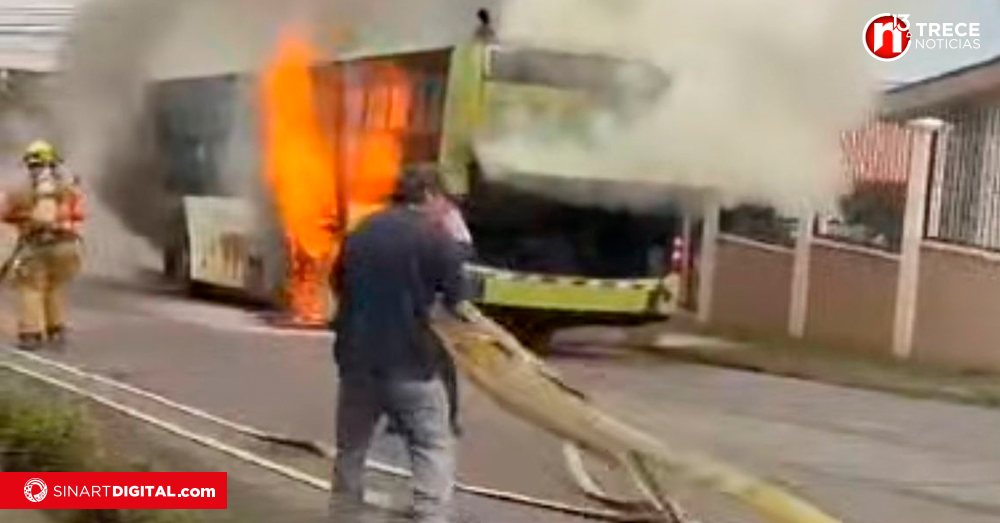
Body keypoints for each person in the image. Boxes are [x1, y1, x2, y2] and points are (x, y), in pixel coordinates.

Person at [330, 167, 466, 523]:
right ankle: (430, 516)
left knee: (351, 450)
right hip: (412, 364)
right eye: (444, 202)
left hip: (357, 363)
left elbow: (338, 282)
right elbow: (458, 302)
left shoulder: (361, 231)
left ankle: (343, 516)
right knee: (431, 445)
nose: (445, 210)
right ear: (429, 195)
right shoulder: (437, 239)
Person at [1, 141, 84, 351]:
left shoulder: (23, 190)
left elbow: (5, 213)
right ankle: (56, 329)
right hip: (68, 245)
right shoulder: (69, 188)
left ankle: (32, 333)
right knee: (55, 286)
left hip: (38, 246)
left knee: (31, 288)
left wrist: (22, 218)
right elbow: (80, 214)